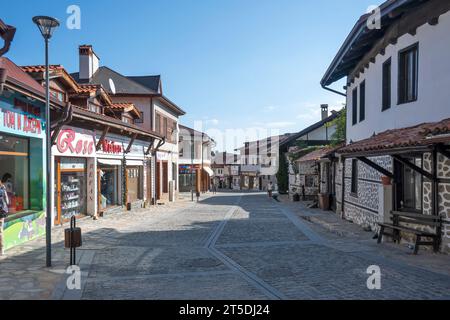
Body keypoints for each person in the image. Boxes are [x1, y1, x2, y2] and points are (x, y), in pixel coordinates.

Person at [0, 180, 10, 256]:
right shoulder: (3, 189)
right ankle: (2, 249)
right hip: (2, 212)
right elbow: (7, 201)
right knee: (0, 231)